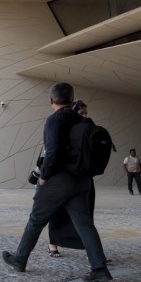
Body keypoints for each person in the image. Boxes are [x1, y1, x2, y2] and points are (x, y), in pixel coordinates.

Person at [2, 83, 111, 282]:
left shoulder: (55, 120)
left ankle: (19, 259)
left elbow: (52, 151)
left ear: (51, 100)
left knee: (36, 219)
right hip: (81, 181)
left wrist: (43, 176)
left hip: (59, 181)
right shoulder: (81, 118)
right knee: (85, 225)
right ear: (72, 99)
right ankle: (99, 268)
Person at [47, 99, 94, 259]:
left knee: (85, 217)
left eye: (86, 113)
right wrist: (44, 176)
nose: (84, 116)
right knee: (56, 213)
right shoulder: (59, 126)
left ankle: (92, 251)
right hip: (62, 177)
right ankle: (52, 244)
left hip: (82, 177)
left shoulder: (86, 129)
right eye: (81, 113)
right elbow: (50, 151)